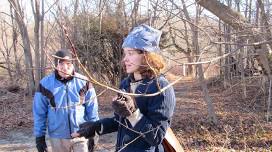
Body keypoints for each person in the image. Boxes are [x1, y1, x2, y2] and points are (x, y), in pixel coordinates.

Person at [72, 24, 176, 152]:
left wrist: (133, 113)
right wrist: (96, 127)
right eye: (125, 53)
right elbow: (120, 121)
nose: (125, 59)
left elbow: (156, 136)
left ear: (147, 56)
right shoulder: (126, 84)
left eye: (130, 53)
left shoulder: (161, 88)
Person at [33, 49, 99, 152]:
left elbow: (92, 110)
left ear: (73, 64)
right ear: (55, 65)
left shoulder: (84, 82)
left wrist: (93, 132)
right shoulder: (45, 84)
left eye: (68, 63)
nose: (65, 67)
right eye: (61, 64)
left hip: (81, 134)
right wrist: (39, 137)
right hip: (57, 138)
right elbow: (39, 113)